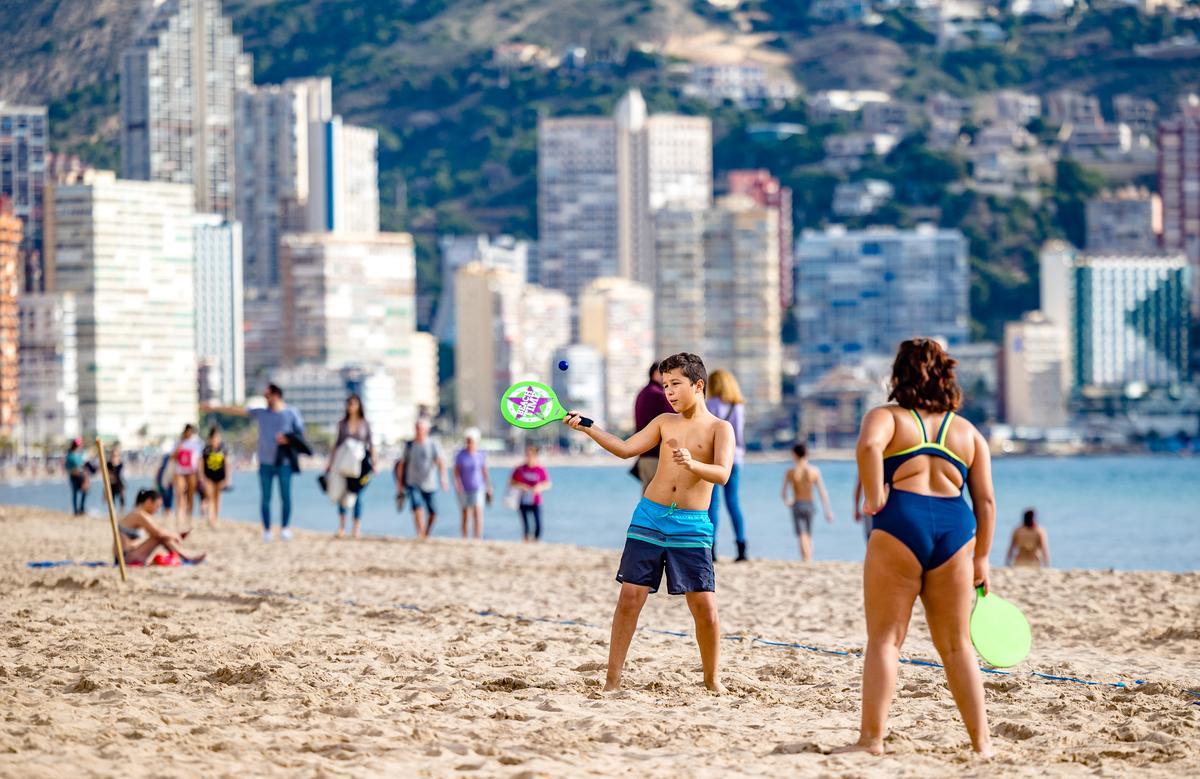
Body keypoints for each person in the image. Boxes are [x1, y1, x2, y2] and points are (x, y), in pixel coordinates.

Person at [837, 338, 995, 758]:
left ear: (898, 373)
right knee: (958, 645)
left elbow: (869, 446)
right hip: (955, 530)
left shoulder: (887, 417)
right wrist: (982, 557)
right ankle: (982, 745)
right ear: (946, 375)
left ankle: (872, 740)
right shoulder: (967, 432)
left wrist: (873, 498)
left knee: (886, 640)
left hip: (900, 521)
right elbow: (986, 501)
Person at [564, 352, 734, 693]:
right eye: (666, 384)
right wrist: (589, 426)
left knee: (704, 607)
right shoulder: (663, 422)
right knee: (629, 598)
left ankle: (712, 681)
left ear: (698, 385)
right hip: (649, 517)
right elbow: (626, 449)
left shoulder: (720, 428)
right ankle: (612, 681)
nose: (669, 391)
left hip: (691, 524)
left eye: (676, 384)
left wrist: (693, 465)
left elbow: (723, 474)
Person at [203, 384, 305, 542]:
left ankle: (285, 528)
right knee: (265, 498)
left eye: (267, 395)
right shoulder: (262, 413)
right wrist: (215, 408)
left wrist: (287, 439)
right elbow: (238, 411)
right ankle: (267, 530)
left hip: (284, 462)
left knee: (286, 497)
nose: (265, 398)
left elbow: (300, 433)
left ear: (276, 395)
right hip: (264, 462)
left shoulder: (292, 412)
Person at [705, 369, 749, 562]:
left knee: (712, 504)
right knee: (733, 503)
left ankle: (712, 549)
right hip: (736, 458)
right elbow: (738, 436)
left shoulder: (710, 404)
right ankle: (741, 548)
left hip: (714, 458)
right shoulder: (738, 407)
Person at [326, 394, 373, 539]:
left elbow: (371, 443)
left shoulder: (365, 423)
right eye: (349, 404)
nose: (351, 406)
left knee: (358, 495)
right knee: (342, 494)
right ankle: (341, 527)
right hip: (343, 463)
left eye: (354, 403)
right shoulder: (342, 424)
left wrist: (374, 463)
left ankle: (356, 528)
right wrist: (330, 464)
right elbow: (337, 444)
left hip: (360, 464)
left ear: (359, 405)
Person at [118, 488, 207, 566]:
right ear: (149, 502)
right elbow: (158, 532)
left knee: (162, 536)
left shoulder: (138, 514)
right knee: (160, 537)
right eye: (157, 506)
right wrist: (174, 535)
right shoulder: (138, 515)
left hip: (128, 555)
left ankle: (185, 555)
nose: (157, 510)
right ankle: (186, 556)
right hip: (125, 558)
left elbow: (157, 530)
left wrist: (174, 535)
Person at [394, 418, 447, 539]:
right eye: (417, 428)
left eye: (421, 428)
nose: (418, 431)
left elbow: (440, 462)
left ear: (426, 430)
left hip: (430, 483)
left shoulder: (433, 444)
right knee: (417, 507)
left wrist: (444, 479)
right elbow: (401, 465)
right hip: (412, 482)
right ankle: (420, 532)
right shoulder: (409, 445)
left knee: (434, 512)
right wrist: (399, 483)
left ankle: (426, 533)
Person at [781, 443, 835, 562]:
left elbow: (783, 493)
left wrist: (787, 501)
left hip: (797, 504)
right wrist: (828, 510)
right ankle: (809, 556)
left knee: (801, 534)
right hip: (810, 504)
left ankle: (806, 558)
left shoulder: (790, 471)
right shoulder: (814, 470)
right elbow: (822, 492)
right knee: (809, 534)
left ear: (795, 454)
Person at [632, 362, 675, 491]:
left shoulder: (643, 393)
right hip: (656, 454)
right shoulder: (658, 395)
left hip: (644, 454)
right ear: (656, 374)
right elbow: (675, 419)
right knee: (659, 498)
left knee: (648, 498)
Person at [453, 427, 491, 539]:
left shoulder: (480, 454)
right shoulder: (460, 455)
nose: (469, 443)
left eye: (471, 441)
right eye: (467, 441)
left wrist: (489, 486)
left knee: (478, 512)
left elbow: (485, 471)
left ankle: (477, 537)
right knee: (465, 513)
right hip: (464, 487)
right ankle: (464, 537)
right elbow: (456, 471)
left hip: (478, 486)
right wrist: (457, 483)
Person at [510, 444, 551, 542]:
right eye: (527, 455)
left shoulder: (540, 469)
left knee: (538, 524)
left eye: (530, 455)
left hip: (536, 500)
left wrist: (539, 487)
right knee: (526, 525)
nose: (528, 457)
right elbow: (512, 482)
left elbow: (548, 484)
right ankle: (526, 540)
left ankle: (536, 540)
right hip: (523, 500)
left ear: (535, 456)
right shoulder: (520, 469)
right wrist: (522, 486)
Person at [171, 424, 204, 529]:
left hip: (192, 472)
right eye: (187, 431)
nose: (188, 433)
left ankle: (189, 517)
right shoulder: (178, 442)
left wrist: (200, 474)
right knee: (180, 493)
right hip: (180, 471)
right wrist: (178, 448)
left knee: (190, 495)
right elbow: (172, 457)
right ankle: (179, 517)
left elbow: (199, 459)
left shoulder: (197, 443)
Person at [201, 427, 229, 529]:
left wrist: (227, 479)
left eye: (217, 437)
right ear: (210, 438)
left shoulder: (223, 449)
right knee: (210, 497)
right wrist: (202, 477)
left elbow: (227, 464)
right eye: (214, 437)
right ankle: (210, 518)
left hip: (220, 477)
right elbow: (201, 464)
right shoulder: (206, 450)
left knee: (217, 498)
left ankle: (215, 518)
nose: (215, 439)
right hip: (209, 477)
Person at [65, 438, 88, 516]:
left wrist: (85, 476)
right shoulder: (70, 455)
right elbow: (67, 468)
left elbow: (83, 466)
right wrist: (75, 471)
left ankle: (81, 508)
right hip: (74, 476)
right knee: (75, 493)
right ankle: (75, 511)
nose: (79, 446)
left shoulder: (80, 455)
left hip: (81, 476)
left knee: (84, 491)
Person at [106, 442, 127, 510]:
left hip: (119, 482)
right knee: (112, 498)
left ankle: (122, 510)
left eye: (116, 455)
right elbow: (108, 474)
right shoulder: (108, 464)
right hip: (111, 483)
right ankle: (113, 510)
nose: (114, 456)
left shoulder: (120, 463)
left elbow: (122, 474)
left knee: (122, 497)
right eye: (113, 455)